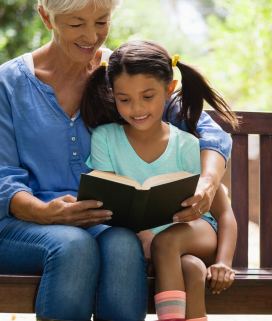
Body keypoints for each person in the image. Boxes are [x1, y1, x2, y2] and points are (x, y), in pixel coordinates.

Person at [0, 0, 233, 321]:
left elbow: (207, 131)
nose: (91, 36)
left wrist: (207, 184)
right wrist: (44, 212)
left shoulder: (121, 75)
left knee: (124, 245)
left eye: (102, 21)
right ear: (46, 16)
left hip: (103, 226)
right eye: (76, 23)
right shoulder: (11, 82)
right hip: (24, 228)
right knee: (74, 246)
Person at [81, 40, 238, 321]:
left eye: (148, 96)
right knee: (190, 267)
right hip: (153, 244)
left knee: (165, 244)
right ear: (112, 94)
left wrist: (224, 262)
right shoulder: (105, 138)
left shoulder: (188, 145)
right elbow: (112, 200)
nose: (136, 108)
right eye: (124, 99)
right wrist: (144, 238)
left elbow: (223, 211)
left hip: (197, 232)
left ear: (169, 90)